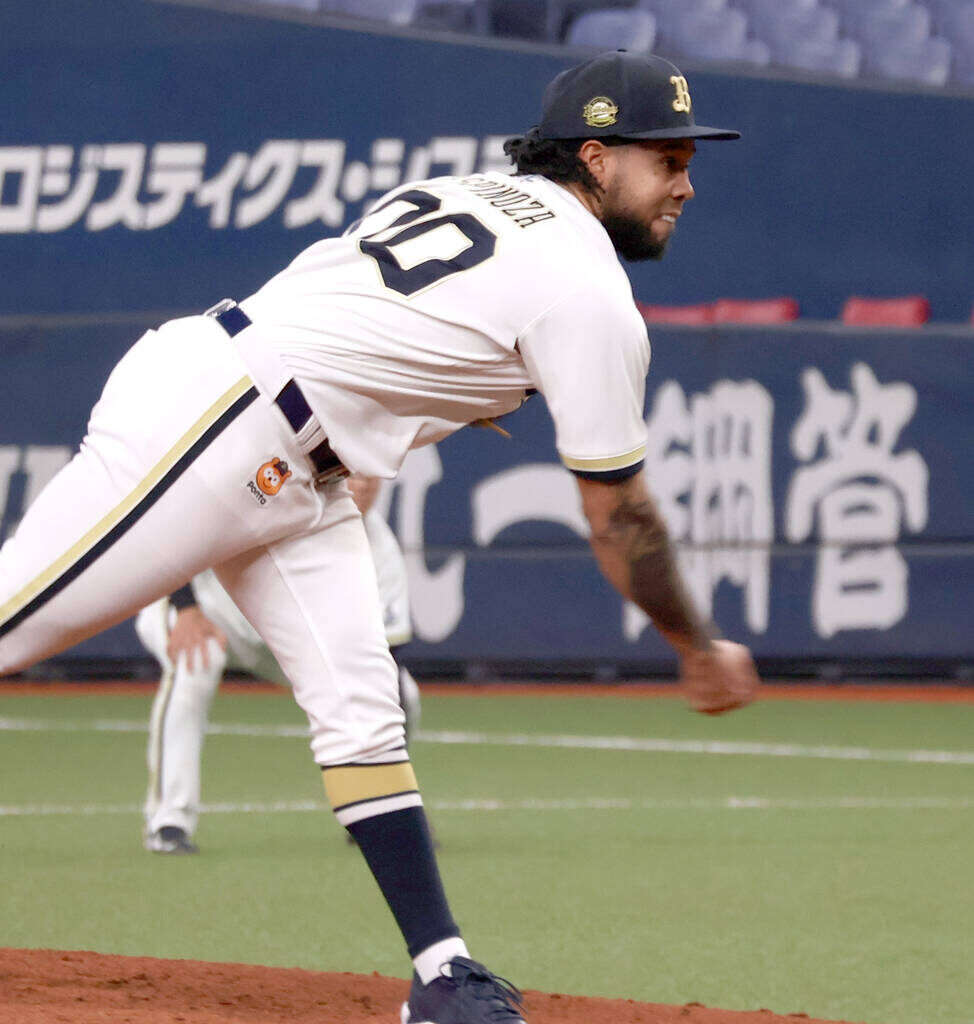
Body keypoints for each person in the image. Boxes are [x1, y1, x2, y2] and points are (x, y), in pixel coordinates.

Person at [0, 50, 759, 1024]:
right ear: (599, 159)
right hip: (221, 421)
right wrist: (696, 647)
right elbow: (620, 517)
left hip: (298, 467)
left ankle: (441, 973)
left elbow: (398, 333)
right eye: (669, 159)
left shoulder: (474, 193)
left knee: (363, 716)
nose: (687, 184)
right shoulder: (588, 290)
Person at [137, 474, 421, 855]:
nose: (365, 485)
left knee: (406, 695)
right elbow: (177, 530)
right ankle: (169, 820)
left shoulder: (379, 549)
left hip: (286, 642)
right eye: (355, 473)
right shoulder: (274, 501)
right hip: (203, 613)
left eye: (373, 477)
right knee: (197, 664)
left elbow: (388, 664)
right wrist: (186, 609)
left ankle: (376, 810)